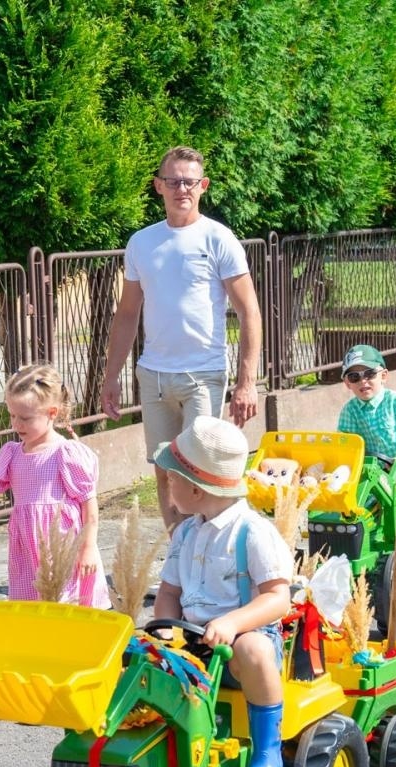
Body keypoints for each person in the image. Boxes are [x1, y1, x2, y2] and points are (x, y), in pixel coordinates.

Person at [100, 146, 263, 531]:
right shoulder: (142, 242)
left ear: (203, 186)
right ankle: (179, 558)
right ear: (159, 186)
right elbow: (126, 314)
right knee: (164, 470)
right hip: (154, 376)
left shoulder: (219, 239)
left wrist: (247, 382)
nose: (181, 189)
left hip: (202, 375)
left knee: (198, 472)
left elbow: (249, 311)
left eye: (189, 181)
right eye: (172, 181)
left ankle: (205, 555)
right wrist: (111, 377)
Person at [150, 416, 293, 767]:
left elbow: (278, 597)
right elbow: (168, 593)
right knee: (137, 657)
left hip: (240, 645)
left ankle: (267, 752)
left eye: (172, 479)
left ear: (196, 490)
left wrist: (233, 622)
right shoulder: (185, 532)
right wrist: (163, 631)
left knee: (254, 649)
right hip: (192, 643)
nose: (167, 485)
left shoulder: (253, 532)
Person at [0, 364, 109, 606]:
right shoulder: (11, 454)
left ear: (52, 413)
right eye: (12, 415)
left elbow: (90, 508)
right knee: (31, 610)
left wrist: (88, 548)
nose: (17, 424)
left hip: (64, 549)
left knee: (67, 611)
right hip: (26, 552)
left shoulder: (67, 453)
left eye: (25, 418)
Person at [336, 345, 396, 559]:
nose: (363, 381)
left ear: (384, 375)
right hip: (372, 470)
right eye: (354, 377)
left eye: (370, 374)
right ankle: (355, 540)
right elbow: (346, 446)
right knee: (349, 494)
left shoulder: (395, 401)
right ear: (347, 383)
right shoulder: (349, 411)